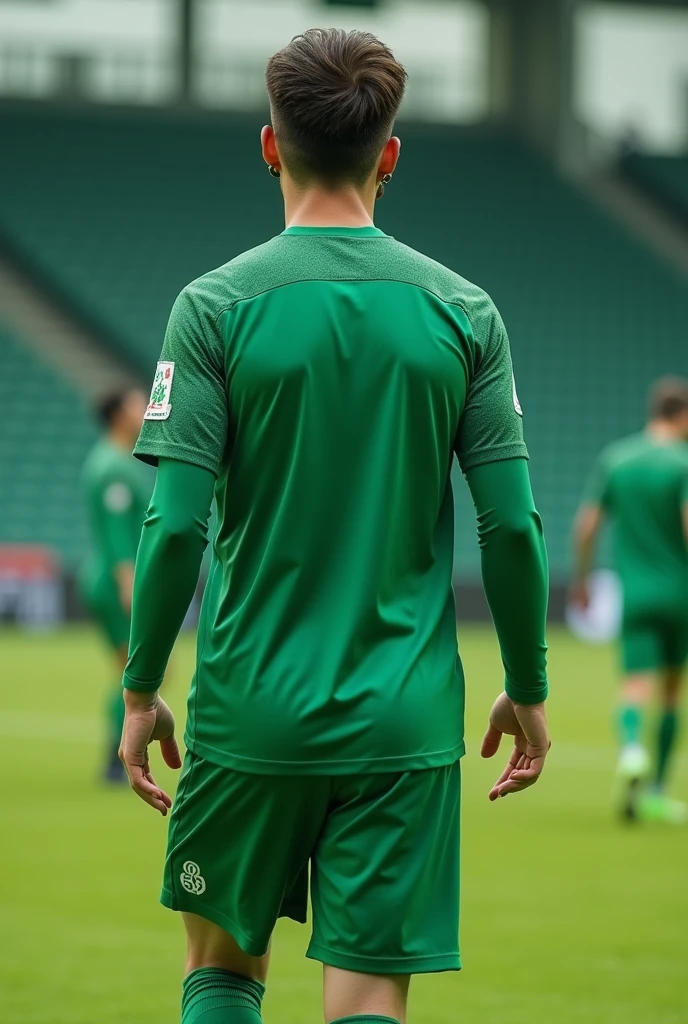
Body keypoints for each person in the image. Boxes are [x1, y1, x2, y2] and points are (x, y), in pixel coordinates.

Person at [119, 28, 550, 1024]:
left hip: (248, 712)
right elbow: (513, 527)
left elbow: (175, 526)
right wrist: (525, 687)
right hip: (401, 723)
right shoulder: (465, 313)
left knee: (222, 972)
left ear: (269, 145)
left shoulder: (212, 306)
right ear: (389, 154)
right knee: (366, 998)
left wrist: (142, 687)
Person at [573, 377, 688, 824]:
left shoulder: (617, 459)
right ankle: (657, 790)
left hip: (635, 594)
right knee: (672, 692)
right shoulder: (683, 463)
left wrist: (582, 580)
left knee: (634, 685)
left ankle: (632, 748)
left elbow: (586, 526)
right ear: (681, 415)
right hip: (680, 593)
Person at [79, 387, 149, 782]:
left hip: (108, 577)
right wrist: (128, 580)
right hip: (116, 579)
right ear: (120, 414)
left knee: (132, 669)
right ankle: (115, 758)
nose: (145, 409)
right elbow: (118, 532)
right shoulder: (114, 468)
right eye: (138, 403)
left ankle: (116, 754)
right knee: (133, 671)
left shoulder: (111, 460)